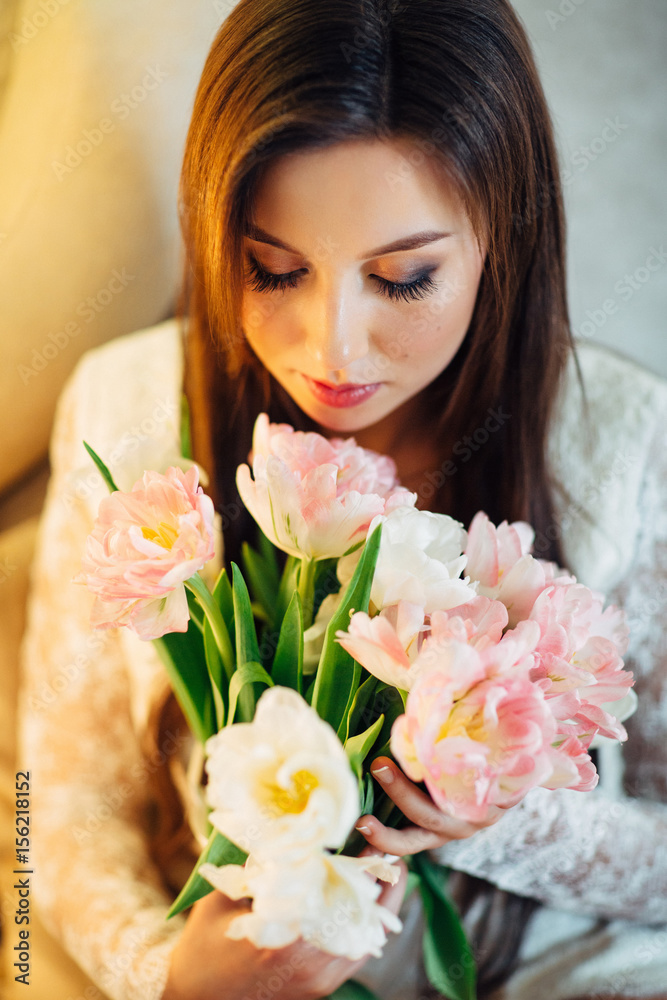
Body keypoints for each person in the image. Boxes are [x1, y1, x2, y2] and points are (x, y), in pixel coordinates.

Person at [18, 1, 667, 998]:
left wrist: (507, 814)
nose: (333, 349)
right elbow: (44, 806)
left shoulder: (623, 440)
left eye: (404, 278)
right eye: (272, 268)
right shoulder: (128, 408)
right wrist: (165, 974)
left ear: (505, 237)